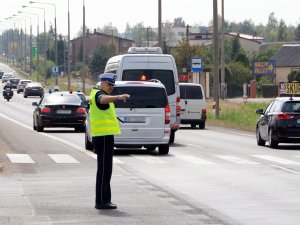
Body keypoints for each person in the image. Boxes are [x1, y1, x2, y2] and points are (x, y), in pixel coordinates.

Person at [89, 73, 130, 210]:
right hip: (104, 137)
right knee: (104, 170)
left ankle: (104, 199)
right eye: (110, 84)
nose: (111, 87)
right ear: (102, 83)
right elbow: (102, 100)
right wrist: (118, 97)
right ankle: (101, 201)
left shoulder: (97, 92)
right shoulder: (98, 94)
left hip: (104, 136)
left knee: (106, 170)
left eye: (113, 85)